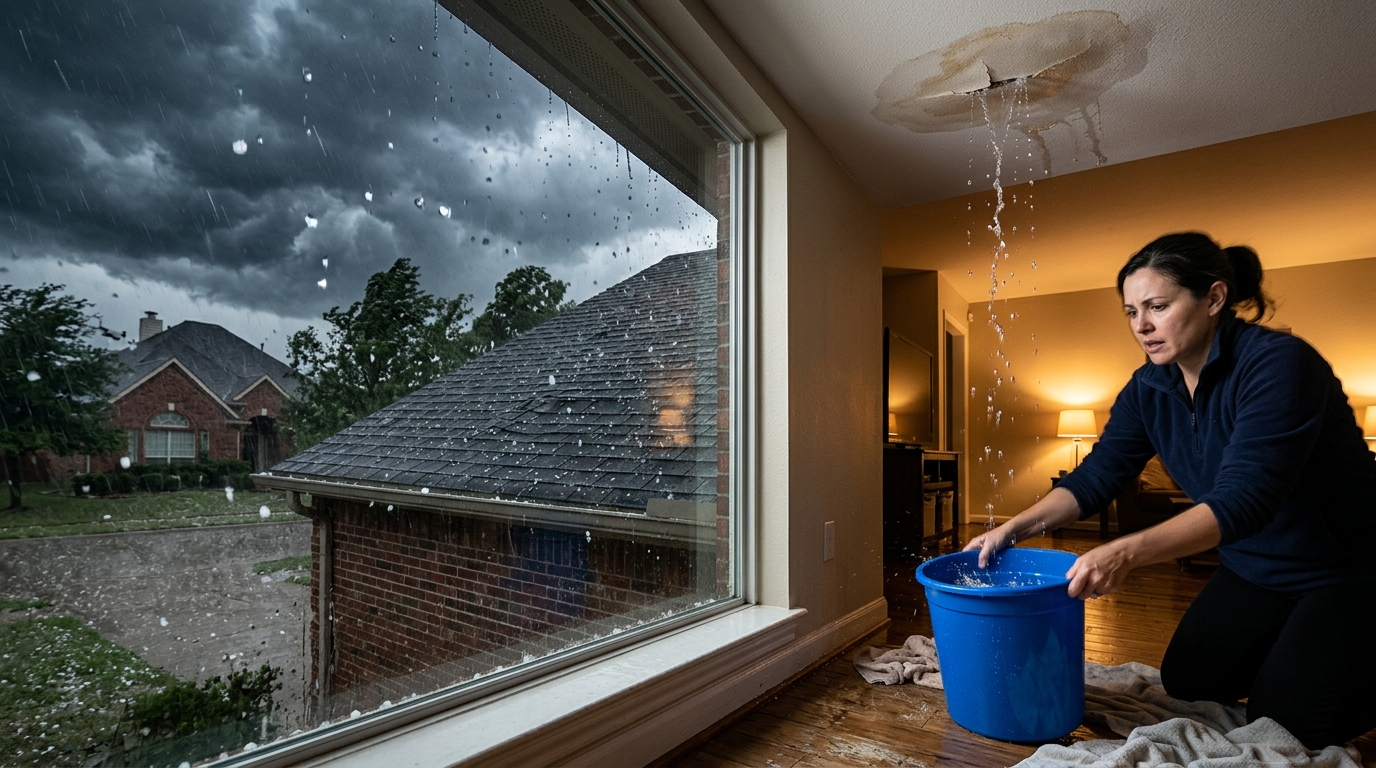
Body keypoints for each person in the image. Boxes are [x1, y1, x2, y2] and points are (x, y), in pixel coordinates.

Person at [965, 232, 1376, 749]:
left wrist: (1126, 552)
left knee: (1287, 720)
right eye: (1131, 312)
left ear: (1214, 298)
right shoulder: (1148, 387)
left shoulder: (1279, 363)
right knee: (1190, 682)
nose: (1142, 325)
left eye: (1157, 306)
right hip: (1255, 570)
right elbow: (1099, 475)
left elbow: (1245, 499)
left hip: (1346, 570)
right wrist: (1012, 527)